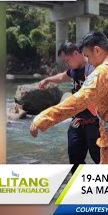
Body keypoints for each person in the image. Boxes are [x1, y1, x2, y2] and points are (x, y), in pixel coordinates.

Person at [30, 31, 108, 164]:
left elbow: (79, 100)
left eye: (88, 56)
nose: (89, 61)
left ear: (97, 50)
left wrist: (43, 118)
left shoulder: (105, 71)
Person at [37, 42, 100, 174]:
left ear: (76, 54)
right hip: (77, 120)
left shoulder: (93, 68)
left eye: (67, 60)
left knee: (99, 157)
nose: (66, 64)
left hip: (95, 121)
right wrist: (48, 80)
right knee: (74, 156)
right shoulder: (73, 69)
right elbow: (62, 77)